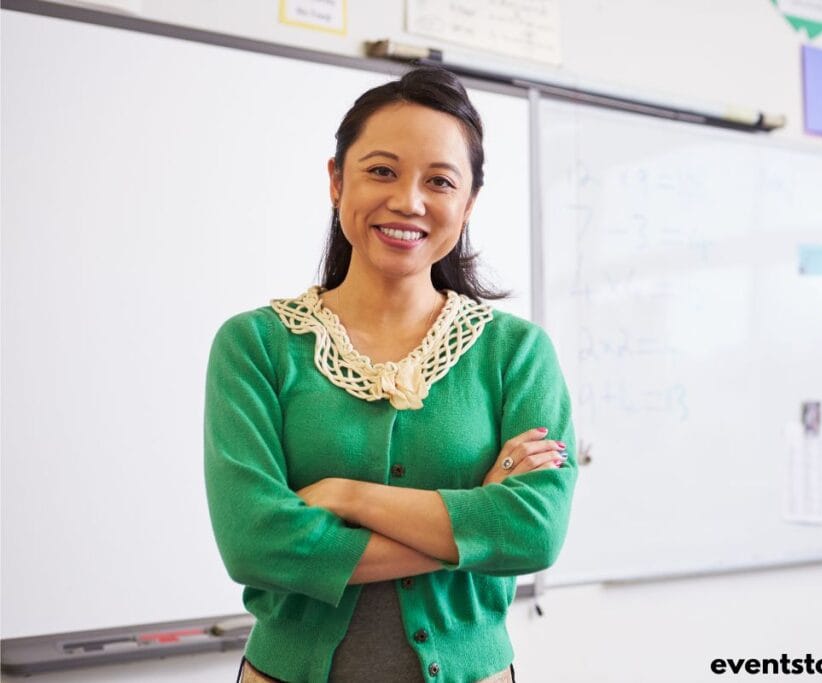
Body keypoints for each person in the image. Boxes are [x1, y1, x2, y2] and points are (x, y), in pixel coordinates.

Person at [204, 66, 577, 683]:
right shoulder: (256, 345)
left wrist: (349, 496)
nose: (408, 201)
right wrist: (475, 521)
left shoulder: (517, 353)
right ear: (335, 179)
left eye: (439, 181)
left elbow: (534, 534)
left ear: (468, 204)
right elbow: (255, 543)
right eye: (381, 170)